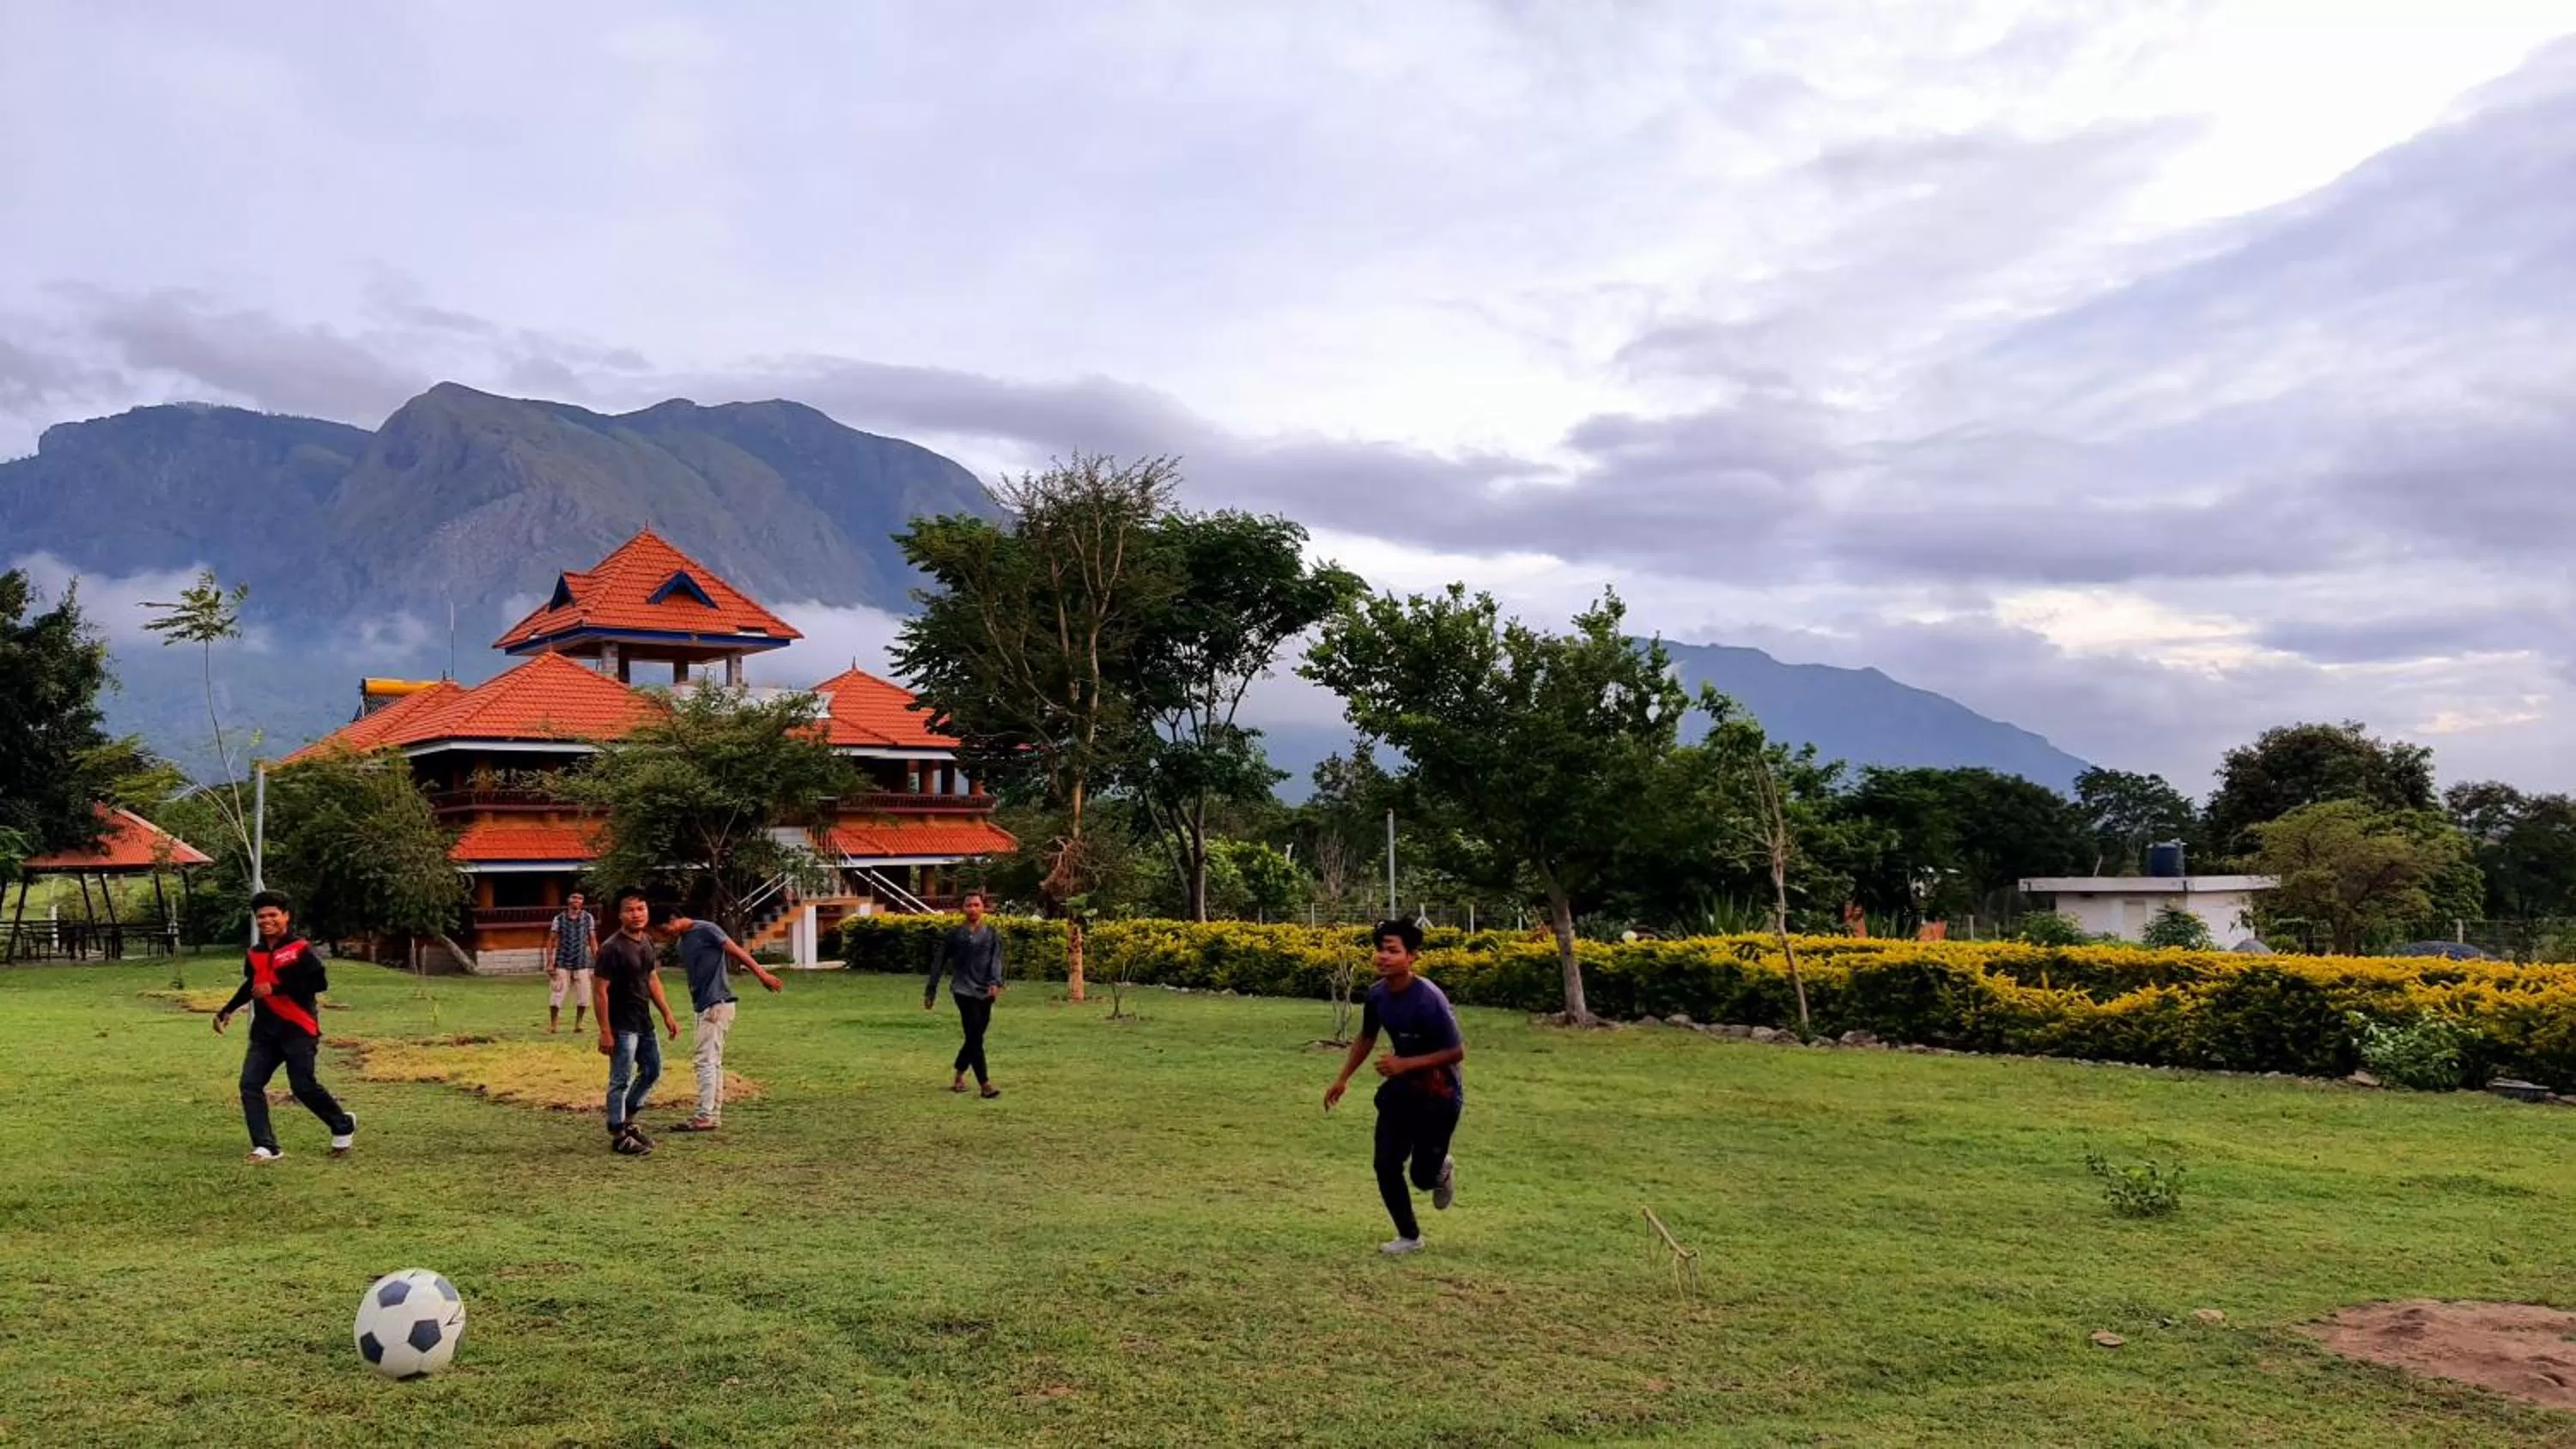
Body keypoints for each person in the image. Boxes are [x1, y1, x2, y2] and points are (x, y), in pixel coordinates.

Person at [1324, 919, 1465, 1256]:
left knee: (1421, 1178)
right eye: (1379, 949)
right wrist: (1343, 1078)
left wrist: (1403, 1064)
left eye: (1392, 950)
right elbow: (1367, 1037)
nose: (1383, 957)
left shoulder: (1429, 999)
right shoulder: (1377, 995)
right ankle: (1409, 1237)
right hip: (1402, 1092)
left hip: (1439, 1095)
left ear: (1412, 956)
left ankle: (1440, 1167)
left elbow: (1456, 1052)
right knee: (1385, 1164)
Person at [215, 889, 358, 1165]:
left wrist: (277, 987)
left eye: (272, 915)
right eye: (261, 917)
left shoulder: (300, 949)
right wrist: (227, 1009)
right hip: (265, 1032)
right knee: (250, 1085)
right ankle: (266, 1147)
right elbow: (252, 985)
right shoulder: (254, 953)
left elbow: (320, 983)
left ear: (286, 916)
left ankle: (342, 1123)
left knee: (303, 1086)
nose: (266, 921)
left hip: (298, 1029)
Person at [652, 909, 782, 1132]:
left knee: (704, 1061)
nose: (666, 935)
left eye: (665, 929)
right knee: (712, 1062)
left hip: (716, 1003)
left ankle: (705, 1115)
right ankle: (712, 1115)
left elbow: (737, 952)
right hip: (704, 1004)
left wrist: (762, 975)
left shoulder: (706, 929)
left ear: (673, 918)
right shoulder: (682, 943)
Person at [592, 888, 679, 1155]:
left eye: (641, 908)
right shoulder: (611, 948)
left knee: (652, 1070)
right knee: (620, 1078)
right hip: (621, 1024)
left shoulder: (647, 942)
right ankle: (618, 1134)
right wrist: (605, 1031)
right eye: (630, 910)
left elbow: (651, 979)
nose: (636, 914)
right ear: (620, 915)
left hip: (643, 1021)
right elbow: (599, 991)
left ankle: (628, 1120)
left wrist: (666, 1013)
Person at [923, 890, 1004, 1098]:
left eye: (977, 905)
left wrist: (996, 982)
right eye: (969, 905)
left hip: (986, 991)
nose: (973, 909)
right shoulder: (953, 935)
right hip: (962, 989)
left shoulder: (991, 934)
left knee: (974, 1037)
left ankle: (959, 1074)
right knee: (975, 1036)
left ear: (983, 907)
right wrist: (931, 990)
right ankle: (985, 1084)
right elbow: (938, 962)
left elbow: (996, 960)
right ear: (963, 908)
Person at [544, 889, 599, 1034]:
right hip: (562, 961)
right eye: (574, 897)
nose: (577, 901)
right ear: (568, 900)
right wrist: (550, 962)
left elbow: (592, 940)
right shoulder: (559, 919)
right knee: (557, 994)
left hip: (581, 962)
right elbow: (551, 940)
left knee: (584, 996)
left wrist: (598, 958)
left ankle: (578, 1024)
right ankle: (553, 1024)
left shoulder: (588, 918)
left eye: (580, 898)